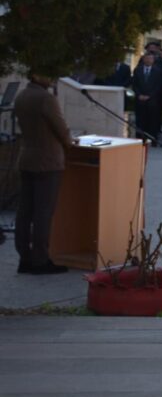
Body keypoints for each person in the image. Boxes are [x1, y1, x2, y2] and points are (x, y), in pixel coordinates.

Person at [13, 73, 75, 274]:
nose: (53, 78)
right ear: (38, 75)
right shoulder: (46, 99)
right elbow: (61, 130)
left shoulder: (22, 95)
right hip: (47, 161)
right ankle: (40, 260)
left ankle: (24, 257)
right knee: (43, 213)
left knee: (25, 211)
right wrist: (70, 142)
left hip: (27, 157)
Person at [132, 51, 162, 142]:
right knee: (140, 120)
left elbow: (159, 86)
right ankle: (140, 139)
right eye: (146, 58)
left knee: (152, 121)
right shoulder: (138, 70)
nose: (148, 60)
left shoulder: (158, 71)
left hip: (152, 100)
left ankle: (152, 139)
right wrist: (139, 95)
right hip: (140, 99)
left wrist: (150, 96)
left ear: (153, 60)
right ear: (143, 59)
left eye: (150, 58)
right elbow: (134, 85)